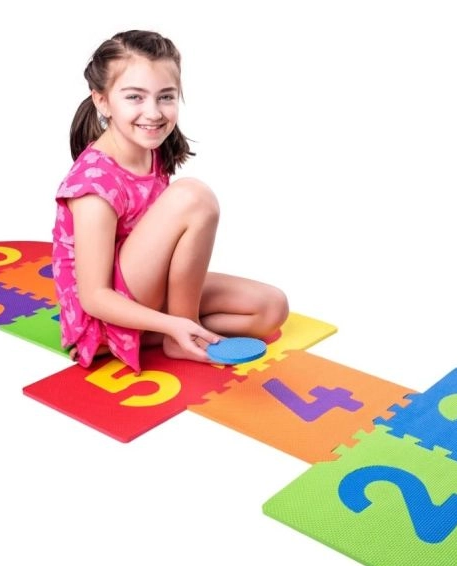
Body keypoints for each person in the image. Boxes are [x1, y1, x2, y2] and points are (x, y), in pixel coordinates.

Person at [52, 30, 289, 373]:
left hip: (147, 289)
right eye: (135, 97)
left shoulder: (152, 151)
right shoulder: (93, 184)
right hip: (102, 315)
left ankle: (171, 331)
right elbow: (94, 297)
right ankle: (175, 332)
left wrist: (173, 320)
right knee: (193, 197)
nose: (153, 112)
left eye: (165, 97)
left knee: (270, 308)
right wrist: (173, 322)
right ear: (102, 101)